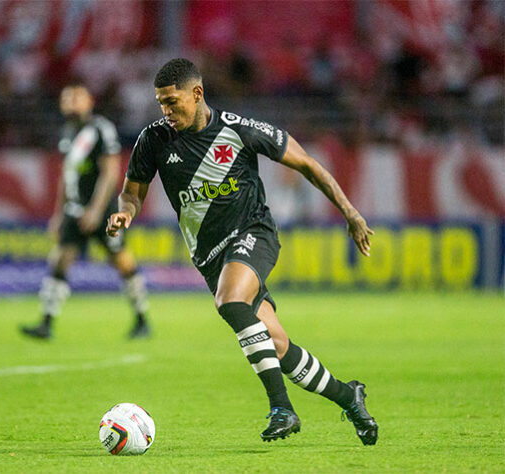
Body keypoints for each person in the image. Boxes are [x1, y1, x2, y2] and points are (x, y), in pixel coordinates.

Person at [107, 58, 378, 445]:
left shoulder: (239, 130)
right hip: (210, 258)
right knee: (278, 346)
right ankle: (348, 396)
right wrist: (124, 213)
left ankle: (281, 408)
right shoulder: (154, 139)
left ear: (197, 93)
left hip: (254, 234)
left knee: (231, 303)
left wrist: (350, 213)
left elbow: (307, 164)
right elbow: (132, 192)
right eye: (161, 104)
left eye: (172, 102)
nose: (166, 111)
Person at [20, 83, 150, 340]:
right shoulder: (67, 132)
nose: (71, 102)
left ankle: (142, 319)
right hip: (74, 209)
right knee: (60, 259)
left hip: (101, 211)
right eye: (67, 98)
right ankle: (46, 322)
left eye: (77, 97)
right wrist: (58, 214)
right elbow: (66, 177)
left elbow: (110, 172)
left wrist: (95, 210)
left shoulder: (100, 129)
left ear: (89, 101)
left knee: (121, 259)